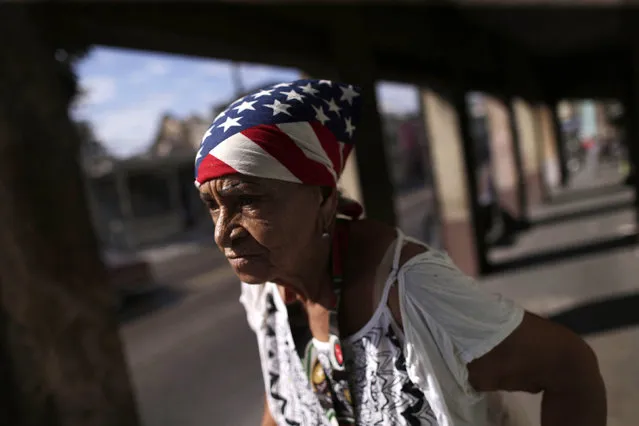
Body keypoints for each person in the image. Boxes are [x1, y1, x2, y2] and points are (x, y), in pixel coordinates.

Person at [194, 79, 606, 426]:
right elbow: (284, 391)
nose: (222, 234)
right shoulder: (266, 291)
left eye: (247, 200)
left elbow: (569, 368)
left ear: (322, 198)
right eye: (212, 205)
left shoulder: (411, 293)